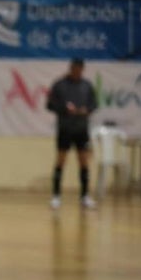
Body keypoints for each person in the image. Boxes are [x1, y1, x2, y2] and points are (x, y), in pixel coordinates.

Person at [47, 57, 98, 210]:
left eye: (79, 69)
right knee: (61, 161)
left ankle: (85, 196)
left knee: (83, 161)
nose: (76, 72)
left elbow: (94, 104)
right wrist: (64, 109)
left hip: (81, 129)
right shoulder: (59, 85)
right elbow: (49, 104)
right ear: (70, 68)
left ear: (82, 70)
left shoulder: (87, 86)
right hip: (65, 129)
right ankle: (56, 196)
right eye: (73, 69)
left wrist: (86, 110)